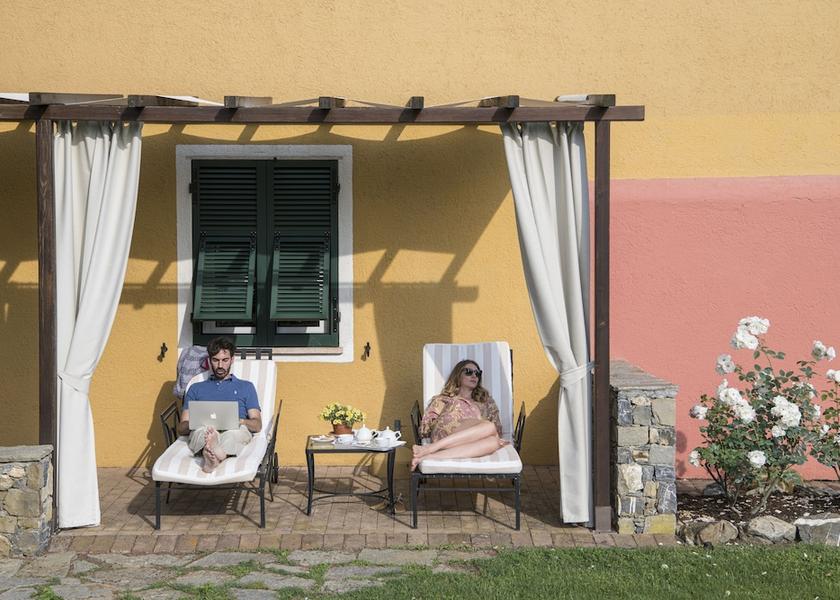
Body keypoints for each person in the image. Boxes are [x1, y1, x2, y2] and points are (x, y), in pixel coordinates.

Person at [177, 337, 262, 473]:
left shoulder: (246, 387)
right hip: (205, 428)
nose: (220, 365)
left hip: (235, 428)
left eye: (225, 360)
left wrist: (240, 421)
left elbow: (257, 425)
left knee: (234, 433)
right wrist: (197, 422)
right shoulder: (196, 388)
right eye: (216, 360)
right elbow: (181, 427)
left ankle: (212, 454)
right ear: (209, 361)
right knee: (202, 432)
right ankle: (216, 451)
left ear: (232, 359)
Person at [412, 359, 507, 471]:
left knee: (494, 442)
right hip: (445, 434)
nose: (474, 376)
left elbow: (497, 429)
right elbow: (425, 428)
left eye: (477, 373)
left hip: (469, 440)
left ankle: (428, 456)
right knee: (489, 426)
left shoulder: (486, 401)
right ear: (458, 375)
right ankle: (430, 448)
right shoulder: (444, 399)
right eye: (468, 372)